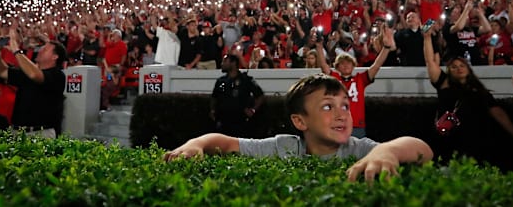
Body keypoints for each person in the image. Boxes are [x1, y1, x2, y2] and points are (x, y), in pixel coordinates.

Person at [164, 73, 433, 183]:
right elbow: (224, 142)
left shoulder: (362, 150)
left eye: (345, 106)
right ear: (300, 121)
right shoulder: (285, 147)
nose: (341, 114)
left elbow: (422, 149)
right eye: (328, 107)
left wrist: (386, 153)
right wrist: (195, 145)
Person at [423, 27, 513, 171]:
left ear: (468, 69)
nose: (458, 68)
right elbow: (430, 61)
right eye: (453, 67)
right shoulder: (444, 83)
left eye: (462, 65)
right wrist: (427, 38)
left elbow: (498, 113)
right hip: (449, 138)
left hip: (477, 139)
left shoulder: (479, 90)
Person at [319, 24, 395, 138]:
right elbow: (323, 66)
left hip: (357, 126)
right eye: (342, 63)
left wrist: (386, 48)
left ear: (354, 65)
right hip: (336, 124)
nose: (345, 65)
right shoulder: (334, 78)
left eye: (348, 62)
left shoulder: (360, 79)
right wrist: (319, 46)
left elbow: (376, 65)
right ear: (337, 67)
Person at [0, 30, 67, 138]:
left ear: (55, 57)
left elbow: (34, 75)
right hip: (18, 131)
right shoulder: (28, 72)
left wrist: (16, 50)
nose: (40, 50)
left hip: (41, 133)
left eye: (45, 49)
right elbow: (2, 71)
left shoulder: (57, 75)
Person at [210, 54, 265, 138]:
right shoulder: (221, 81)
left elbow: (260, 96)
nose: (222, 64)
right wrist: (213, 110)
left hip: (240, 123)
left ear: (233, 63)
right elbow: (215, 97)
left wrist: (253, 110)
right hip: (223, 122)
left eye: (225, 61)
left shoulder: (246, 80)